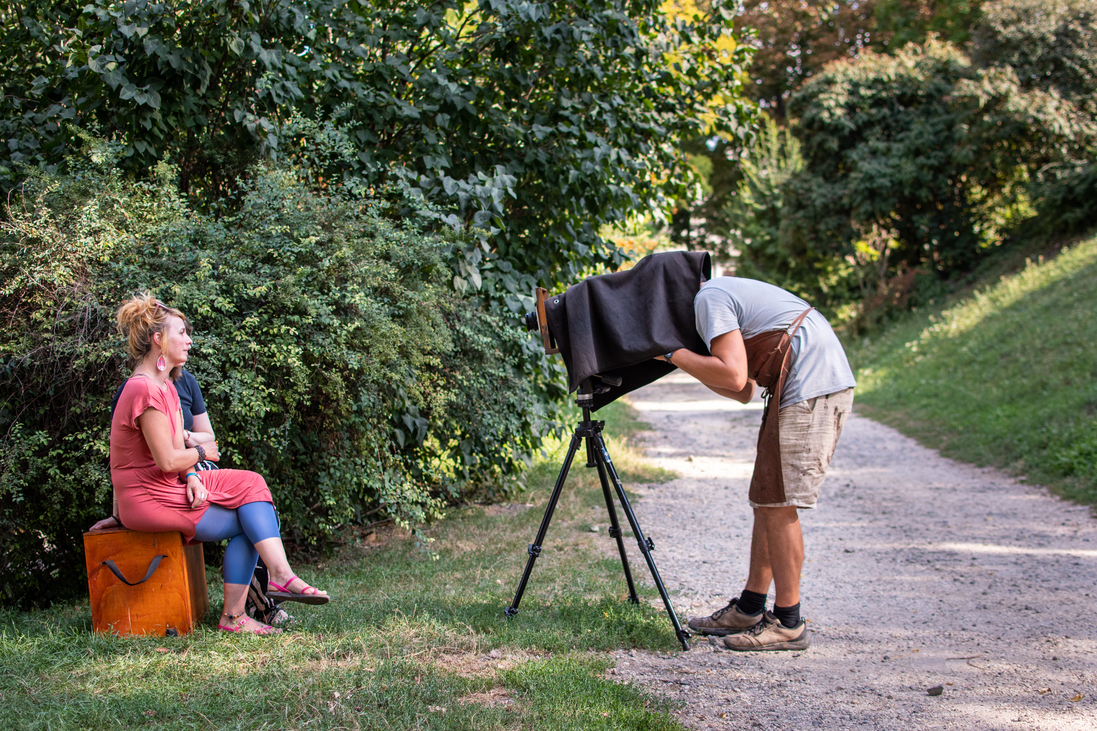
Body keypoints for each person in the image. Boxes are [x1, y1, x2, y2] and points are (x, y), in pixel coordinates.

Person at [92, 293, 329, 634]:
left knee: (252, 485)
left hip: (171, 482)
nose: (188, 340)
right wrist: (203, 455)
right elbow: (168, 458)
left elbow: (177, 456)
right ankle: (240, 612)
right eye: (181, 333)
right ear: (158, 340)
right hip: (147, 497)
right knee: (247, 522)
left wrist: (191, 475)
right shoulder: (143, 389)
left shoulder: (167, 387)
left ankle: (276, 579)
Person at [659, 276, 855, 651]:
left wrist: (669, 353)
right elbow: (743, 390)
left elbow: (733, 375)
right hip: (798, 387)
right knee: (767, 501)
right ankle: (750, 608)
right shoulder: (717, 298)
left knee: (779, 505)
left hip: (811, 386)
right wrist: (679, 359)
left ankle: (788, 624)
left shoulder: (709, 298)